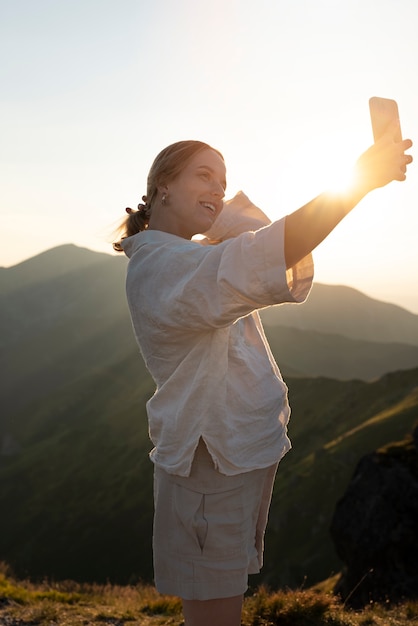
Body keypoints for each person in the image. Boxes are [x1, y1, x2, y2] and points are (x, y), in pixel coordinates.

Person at [113, 127, 412, 626]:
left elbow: (252, 235)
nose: (218, 190)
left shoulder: (185, 256)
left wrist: (206, 203)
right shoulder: (166, 266)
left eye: (223, 183)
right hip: (209, 465)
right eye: (203, 176)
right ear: (162, 183)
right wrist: (359, 183)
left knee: (224, 600)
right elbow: (268, 248)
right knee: (215, 615)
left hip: (227, 458)